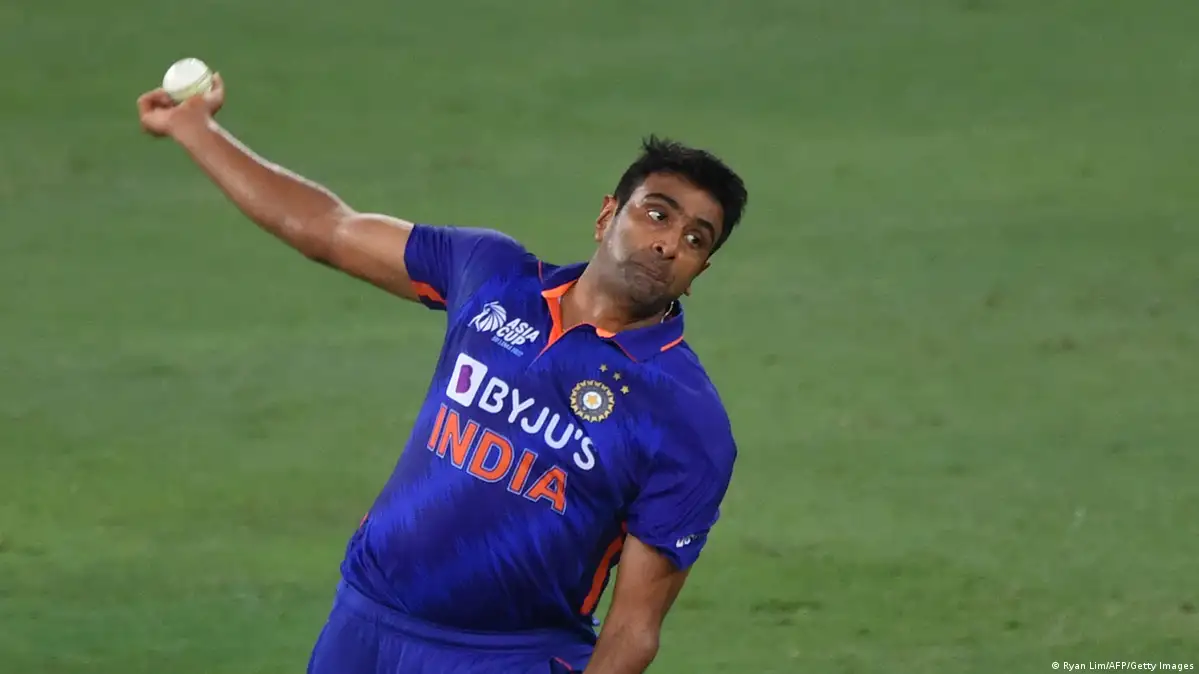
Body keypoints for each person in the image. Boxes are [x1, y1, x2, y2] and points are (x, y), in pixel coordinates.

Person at [137, 73, 748, 674]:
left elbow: (633, 633)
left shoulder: (687, 420)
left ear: (698, 273)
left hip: (506, 658)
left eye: (696, 239)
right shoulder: (493, 275)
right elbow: (329, 228)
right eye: (657, 214)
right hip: (363, 623)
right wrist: (196, 129)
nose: (669, 243)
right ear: (606, 216)